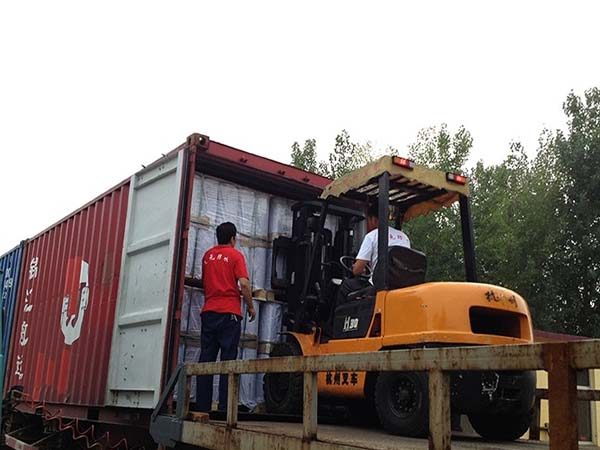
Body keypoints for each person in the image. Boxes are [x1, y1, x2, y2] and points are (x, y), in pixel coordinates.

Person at [194, 222, 256, 413]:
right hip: (229, 314)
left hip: (209, 311)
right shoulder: (235, 255)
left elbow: (206, 282)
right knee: (228, 361)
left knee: (206, 360)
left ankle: (203, 407)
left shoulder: (207, 256)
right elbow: (244, 284)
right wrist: (251, 307)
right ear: (232, 238)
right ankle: (224, 408)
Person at [337, 203, 410, 304]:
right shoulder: (404, 237)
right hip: (400, 286)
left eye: (368, 220)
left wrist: (356, 268)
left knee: (346, 285)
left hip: (378, 287)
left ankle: (334, 319)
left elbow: (357, 270)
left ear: (373, 219)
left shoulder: (372, 236)